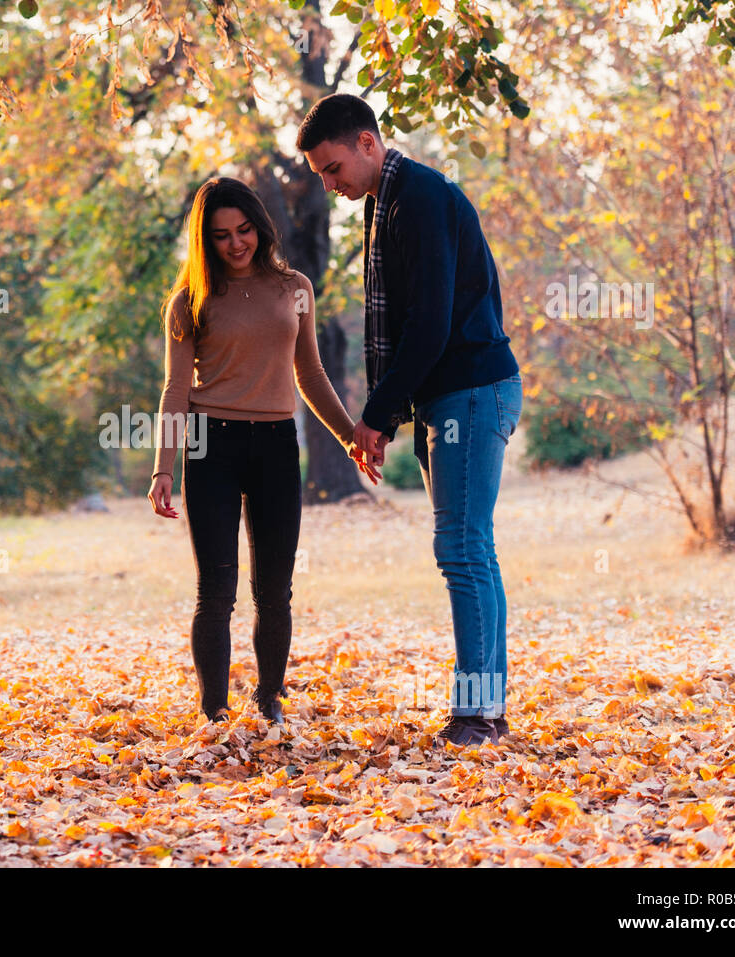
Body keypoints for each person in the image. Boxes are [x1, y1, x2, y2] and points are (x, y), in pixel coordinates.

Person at [298, 93, 523, 748]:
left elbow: (428, 323)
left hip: (472, 389)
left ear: (368, 143)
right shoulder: (386, 202)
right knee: (470, 546)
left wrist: (373, 415)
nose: (329, 184)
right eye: (320, 175)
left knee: (461, 545)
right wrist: (389, 416)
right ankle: (488, 708)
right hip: (448, 395)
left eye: (333, 167)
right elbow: (406, 329)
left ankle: (478, 713)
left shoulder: (418, 197)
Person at [147, 176, 378, 727]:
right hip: (210, 447)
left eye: (244, 230)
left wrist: (349, 436)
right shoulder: (190, 302)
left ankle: (269, 701)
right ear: (205, 240)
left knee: (274, 589)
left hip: (276, 445)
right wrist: (163, 468)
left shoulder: (295, 287)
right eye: (222, 235)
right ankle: (215, 715)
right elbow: (175, 389)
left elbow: (311, 372)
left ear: (260, 227)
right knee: (216, 590)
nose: (236, 244)